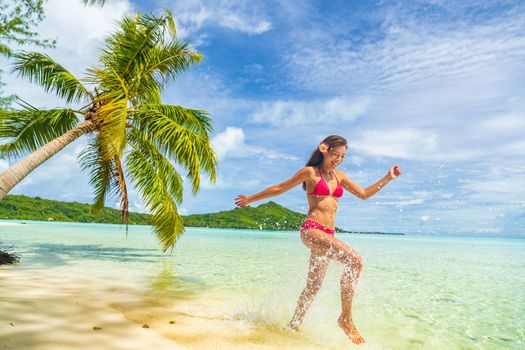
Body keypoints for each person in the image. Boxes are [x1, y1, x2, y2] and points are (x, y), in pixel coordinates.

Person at [234, 135, 401, 345]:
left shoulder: (340, 177)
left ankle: (293, 325)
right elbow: (280, 188)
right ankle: (346, 319)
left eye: (342, 156)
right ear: (324, 149)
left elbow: (365, 194)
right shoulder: (310, 173)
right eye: (335, 154)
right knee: (355, 261)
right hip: (312, 230)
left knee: (313, 286)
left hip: (327, 235)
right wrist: (251, 199)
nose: (338, 159)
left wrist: (388, 178)